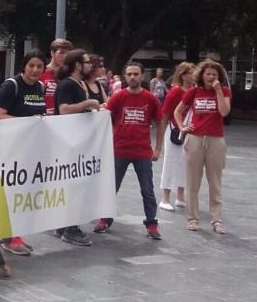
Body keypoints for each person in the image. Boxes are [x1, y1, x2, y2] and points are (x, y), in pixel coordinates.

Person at [93, 62, 164, 240]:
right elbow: (104, 117)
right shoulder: (118, 97)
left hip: (142, 152)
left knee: (147, 190)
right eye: (129, 74)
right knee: (111, 187)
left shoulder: (150, 99)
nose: (132, 77)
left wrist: (158, 148)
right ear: (125, 76)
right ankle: (104, 219)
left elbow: (161, 122)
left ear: (142, 76)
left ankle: (152, 223)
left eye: (136, 74)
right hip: (119, 150)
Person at [0, 50, 48, 256]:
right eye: (31, 65)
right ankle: (9, 237)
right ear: (23, 66)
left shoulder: (41, 87)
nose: (35, 70)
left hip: (31, 148)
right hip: (10, 149)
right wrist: (26, 123)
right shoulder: (11, 86)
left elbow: (38, 112)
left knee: (25, 193)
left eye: (39, 66)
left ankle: (16, 234)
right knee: (12, 192)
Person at [174, 60, 231, 234]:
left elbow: (224, 111)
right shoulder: (193, 91)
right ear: (201, 75)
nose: (211, 77)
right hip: (195, 138)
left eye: (214, 74)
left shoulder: (224, 91)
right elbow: (177, 111)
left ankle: (217, 219)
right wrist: (183, 127)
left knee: (215, 181)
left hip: (215, 139)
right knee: (193, 181)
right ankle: (193, 218)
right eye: (208, 74)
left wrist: (218, 90)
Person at [53, 49, 101, 246]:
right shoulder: (66, 84)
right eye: (86, 62)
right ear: (77, 64)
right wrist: (87, 103)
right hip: (68, 140)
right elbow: (63, 109)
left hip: (76, 139)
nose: (89, 65)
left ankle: (64, 224)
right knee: (73, 183)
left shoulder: (78, 84)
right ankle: (70, 227)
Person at [157, 62, 195, 211]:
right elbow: (165, 114)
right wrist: (164, 132)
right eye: (191, 73)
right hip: (174, 130)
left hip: (188, 129)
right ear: (183, 75)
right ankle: (165, 197)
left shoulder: (192, 90)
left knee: (185, 163)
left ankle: (180, 196)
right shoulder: (175, 92)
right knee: (171, 162)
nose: (194, 76)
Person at [40, 38, 72, 115]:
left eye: (68, 54)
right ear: (52, 53)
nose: (65, 56)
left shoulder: (68, 76)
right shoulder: (41, 72)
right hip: (44, 118)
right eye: (61, 53)